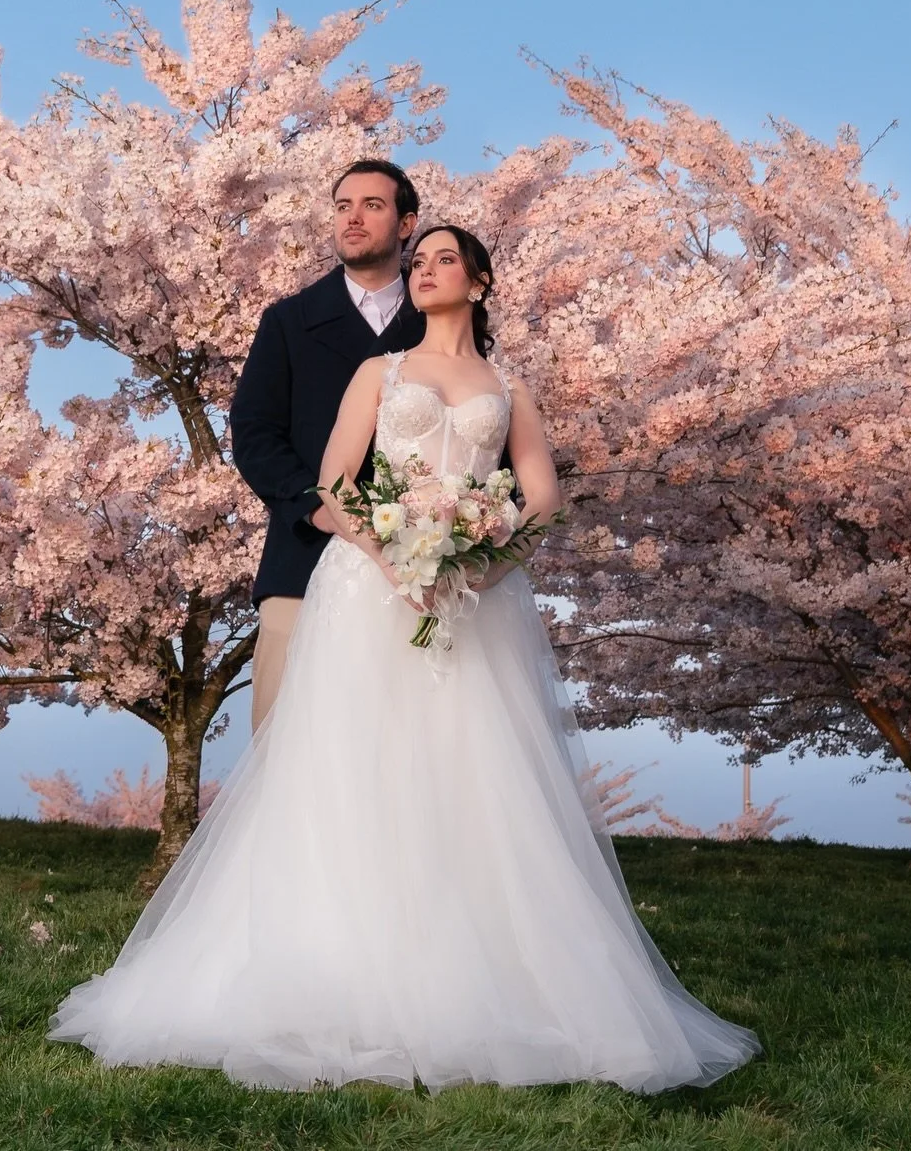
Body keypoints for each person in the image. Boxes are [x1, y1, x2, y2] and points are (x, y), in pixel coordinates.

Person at [50, 225, 761, 1093]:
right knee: (355, 766)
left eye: (442, 260)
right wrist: (397, 556)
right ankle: (337, 965)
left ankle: (486, 976)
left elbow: (542, 496)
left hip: (473, 602)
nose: (424, 271)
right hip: (368, 590)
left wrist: (481, 563)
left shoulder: (508, 386)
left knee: (472, 772)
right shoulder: (377, 374)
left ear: (481, 280)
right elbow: (337, 481)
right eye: (416, 261)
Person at [229, 159, 425, 731]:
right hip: (304, 560)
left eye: (372, 205)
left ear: (407, 223)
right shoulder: (289, 322)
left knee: (405, 748)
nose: (353, 218)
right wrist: (314, 509)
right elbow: (255, 431)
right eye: (343, 206)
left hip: (417, 566)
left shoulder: (442, 325)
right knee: (286, 741)